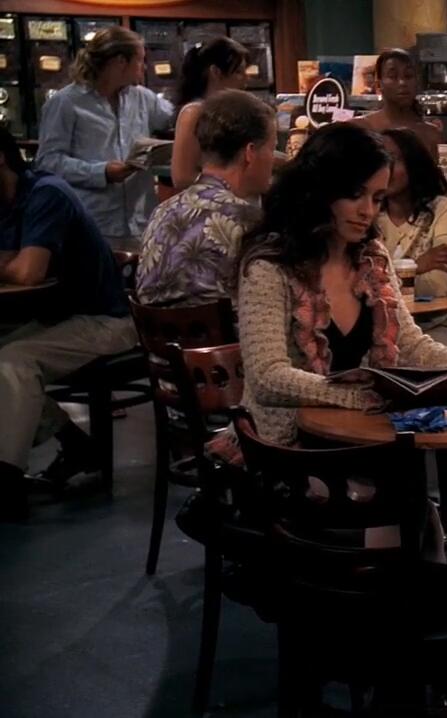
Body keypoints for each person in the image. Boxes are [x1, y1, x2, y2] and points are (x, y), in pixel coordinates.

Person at [234, 122, 447, 447]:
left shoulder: (372, 257)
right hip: (288, 448)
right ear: (320, 190)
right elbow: (266, 378)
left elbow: (411, 347)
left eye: (377, 198)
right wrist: (354, 397)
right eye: (356, 195)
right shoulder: (269, 267)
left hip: (359, 436)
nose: (367, 211)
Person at [0, 128, 136, 520]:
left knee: (13, 362)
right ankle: (75, 443)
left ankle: (7, 484)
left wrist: (9, 262)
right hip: (54, 318)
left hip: (105, 319)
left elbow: (28, 272)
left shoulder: (47, 194)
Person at [35, 25, 174, 252]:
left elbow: (176, 120)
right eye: (140, 60)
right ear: (120, 62)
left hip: (141, 224)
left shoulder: (143, 98)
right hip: (93, 224)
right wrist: (102, 172)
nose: (145, 67)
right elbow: (47, 162)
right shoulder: (66, 103)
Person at [136, 89, 274, 307]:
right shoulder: (251, 222)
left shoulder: (161, 211)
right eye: (272, 149)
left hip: (150, 330)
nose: (273, 160)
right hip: (228, 330)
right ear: (250, 152)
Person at [378, 127, 447, 350]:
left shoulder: (445, 210)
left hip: (435, 325)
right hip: (378, 327)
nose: (385, 169)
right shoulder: (367, 215)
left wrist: (387, 274)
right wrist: (417, 267)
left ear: (414, 164)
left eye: (394, 160)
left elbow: (439, 287)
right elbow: (362, 287)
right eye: (379, 161)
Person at [169, 37, 251, 191]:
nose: (246, 78)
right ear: (216, 72)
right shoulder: (194, 113)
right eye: (238, 72)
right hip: (214, 202)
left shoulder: (232, 113)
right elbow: (182, 177)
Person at [352, 48, 441, 160]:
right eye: (393, 76)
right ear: (379, 85)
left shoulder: (430, 133)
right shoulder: (360, 128)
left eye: (408, 76)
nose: (402, 83)